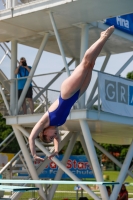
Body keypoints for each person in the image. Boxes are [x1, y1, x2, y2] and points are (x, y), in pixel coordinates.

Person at [29, 26, 115, 161]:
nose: (54, 136)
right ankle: (103, 38)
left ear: (44, 132)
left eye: (51, 136)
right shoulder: (56, 126)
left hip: (66, 93)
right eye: (53, 138)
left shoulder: (43, 123)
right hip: (77, 95)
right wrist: (56, 151)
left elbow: (31, 138)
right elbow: (57, 139)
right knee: (91, 65)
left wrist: (34, 154)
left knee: (85, 63)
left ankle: (103, 37)